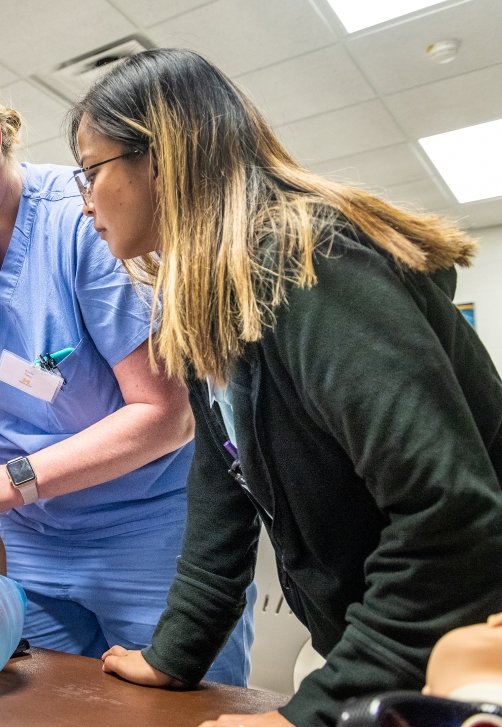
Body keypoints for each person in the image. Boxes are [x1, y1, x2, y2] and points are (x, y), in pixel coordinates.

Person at [66, 48, 502, 727]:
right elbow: (221, 494)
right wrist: (175, 653)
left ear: (161, 157)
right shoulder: (213, 303)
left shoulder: (309, 264)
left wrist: (308, 716)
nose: (85, 198)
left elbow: (450, 517)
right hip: (390, 642)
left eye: (90, 169)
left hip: (471, 653)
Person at [0, 57, 254, 686]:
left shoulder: (89, 219)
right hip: (37, 541)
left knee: (180, 710)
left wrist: (13, 479)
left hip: (150, 535)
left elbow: (167, 416)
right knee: (30, 700)